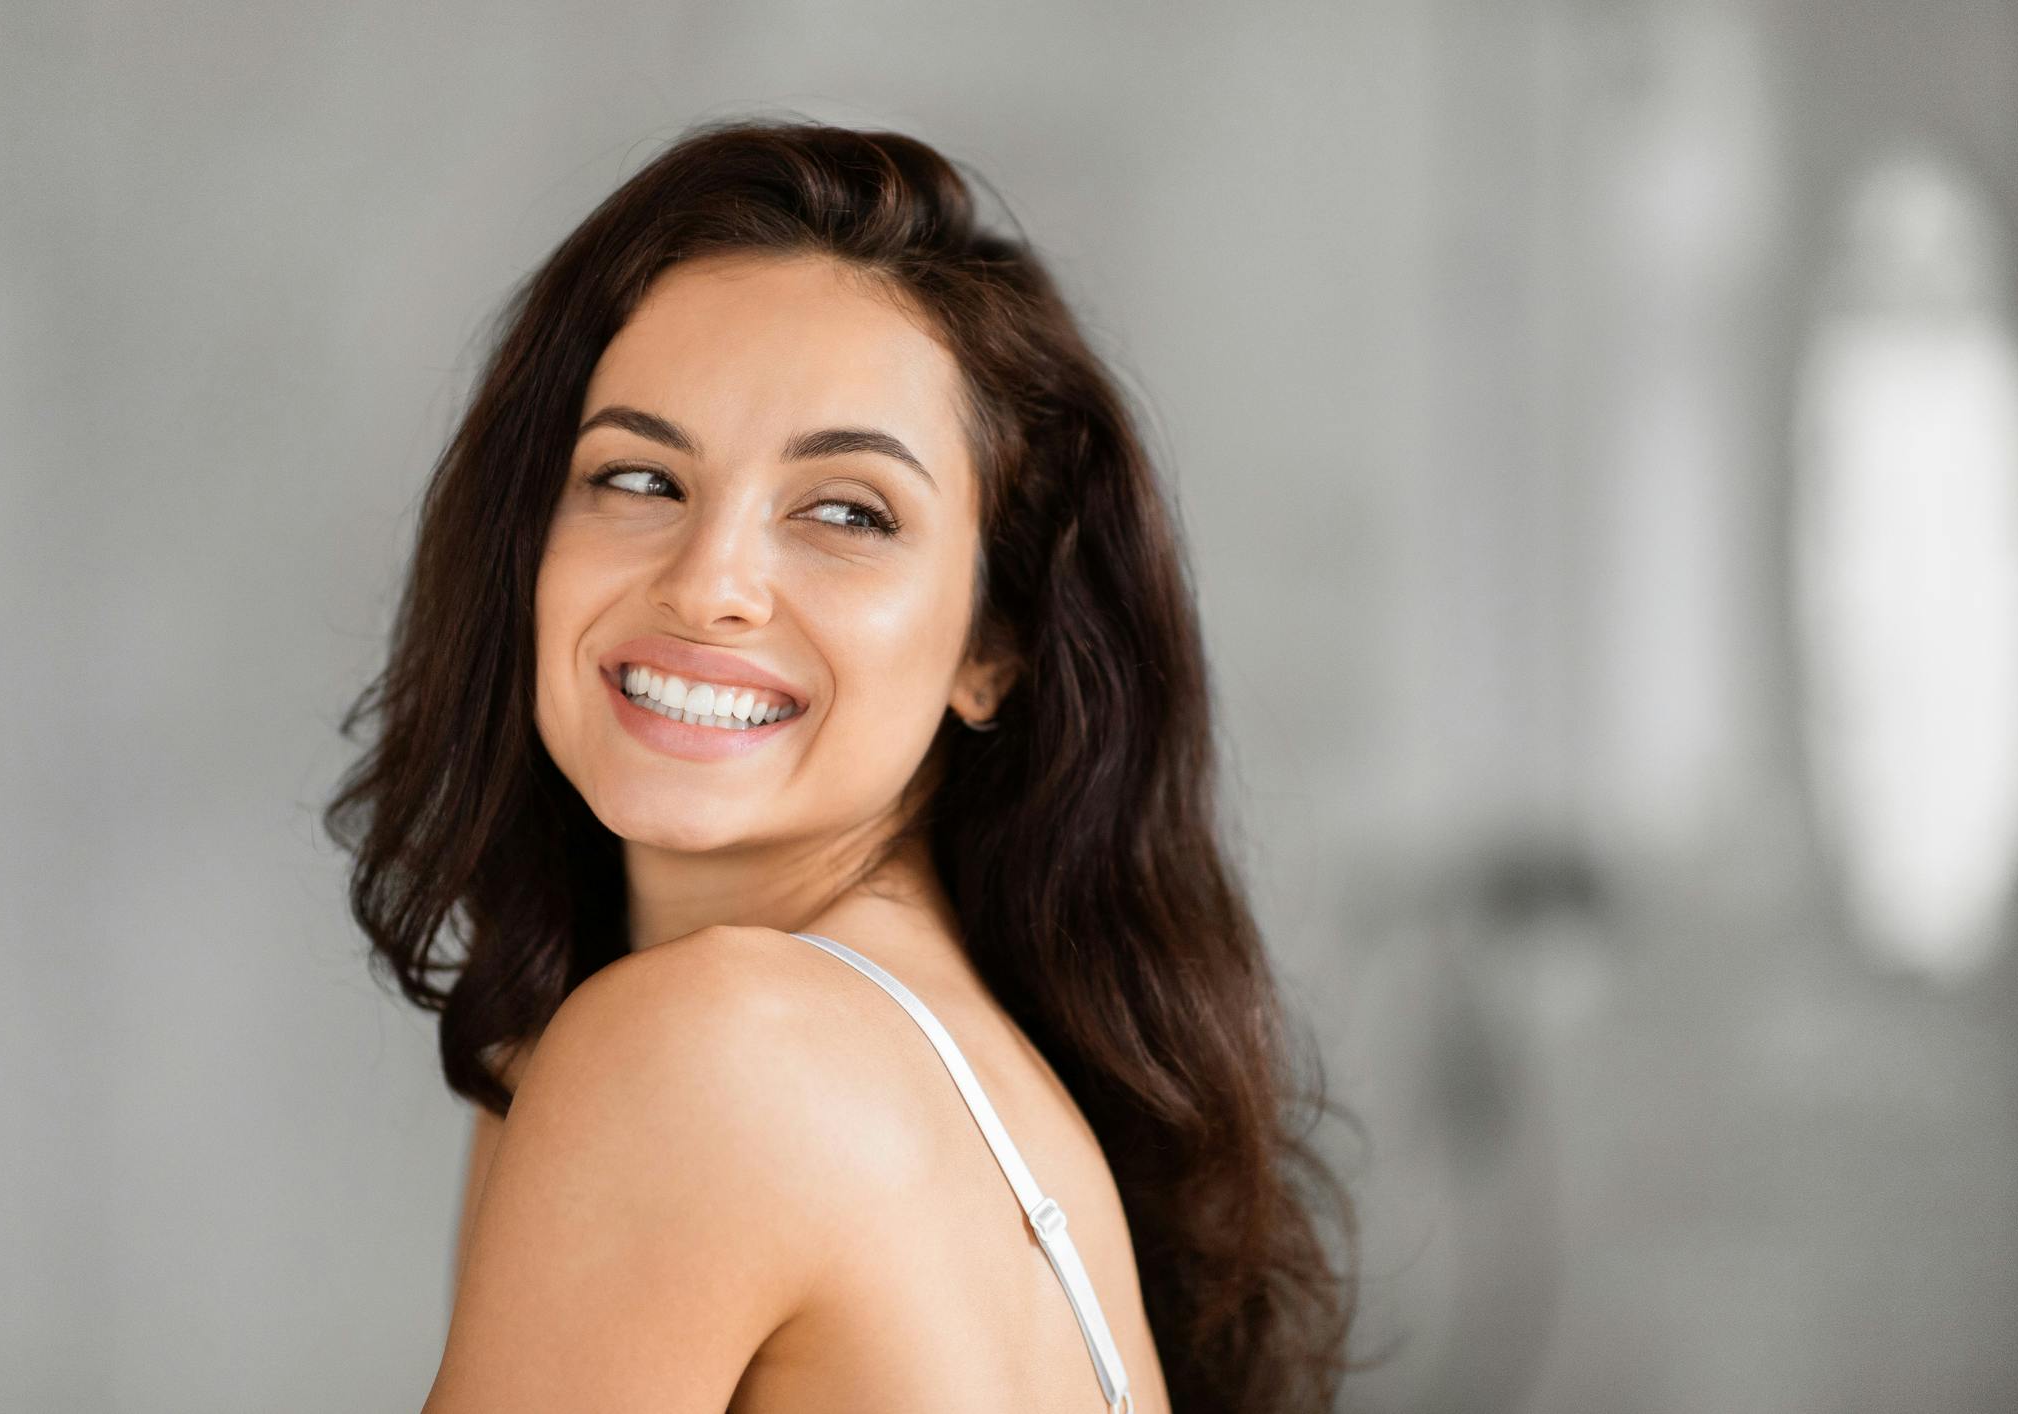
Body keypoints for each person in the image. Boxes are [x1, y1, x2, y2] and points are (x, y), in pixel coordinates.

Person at [326, 117, 1353, 1413]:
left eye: (846, 511)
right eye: (638, 478)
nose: (708, 584)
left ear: (993, 641)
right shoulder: (915, 1063)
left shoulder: (709, 1053)